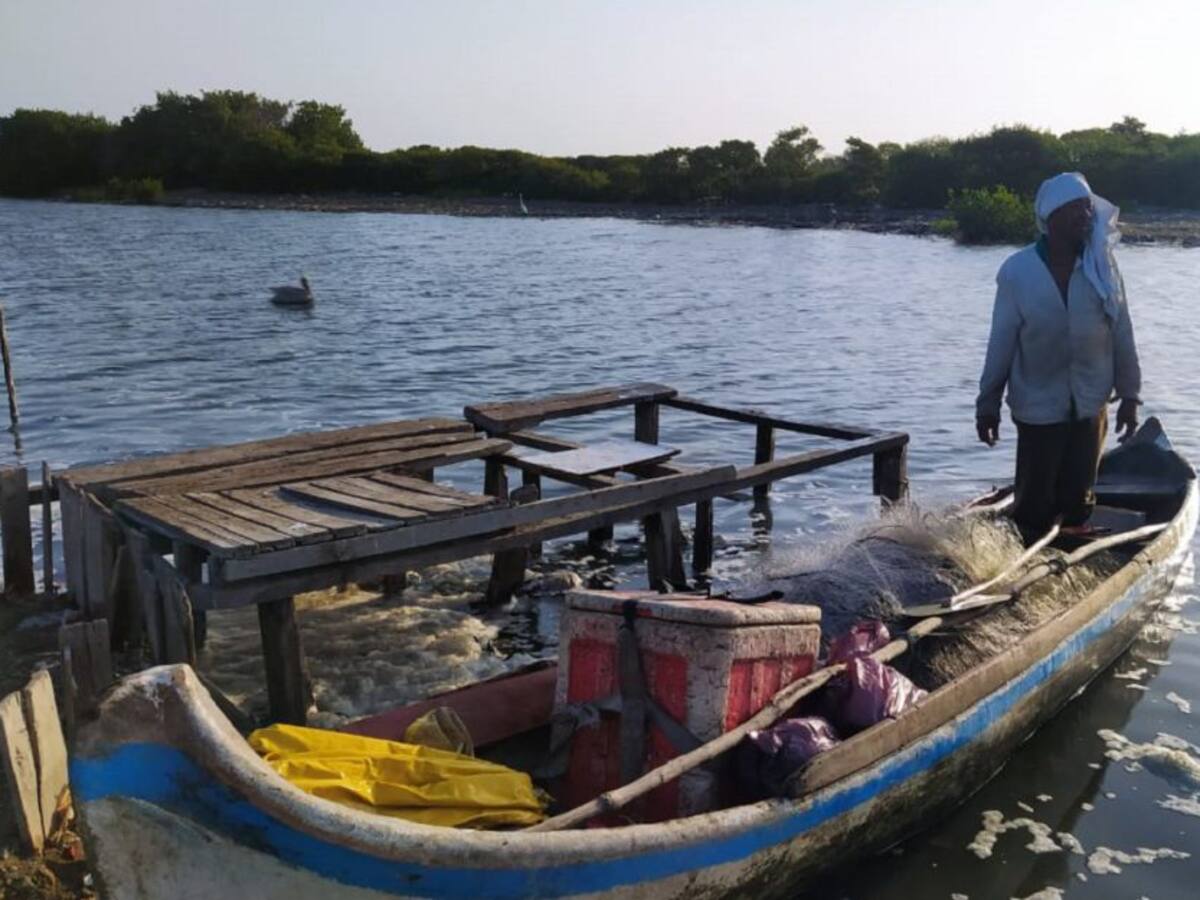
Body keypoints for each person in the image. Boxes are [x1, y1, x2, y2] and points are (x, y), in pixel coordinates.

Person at [975, 172, 1142, 544]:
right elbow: (1001, 342)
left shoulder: (1102, 267)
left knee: (1078, 495)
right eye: (1075, 209)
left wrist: (1130, 396)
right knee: (1034, 500)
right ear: (1052, 216)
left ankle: (1073, 536)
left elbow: (1122, 333)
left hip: (1090, 399)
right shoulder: (1018, 271)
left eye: (1087, 207)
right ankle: (1029, 542)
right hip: (1038, 403)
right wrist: (988, 404)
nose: (1086, 215)